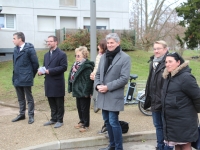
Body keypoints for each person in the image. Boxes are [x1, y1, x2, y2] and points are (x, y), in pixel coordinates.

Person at [94, 33, 131, 150]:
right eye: (108, 43)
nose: (109, 45)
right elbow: (98, 74)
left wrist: (107, 87)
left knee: (113, 121)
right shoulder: (104, 56)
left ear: (118, 43)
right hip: (103, 95)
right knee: (107, 121)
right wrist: (98, 85)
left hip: (114, 95)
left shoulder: (125, 58)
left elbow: (124, 78)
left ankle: (119, 147)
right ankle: (112, 145)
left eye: (112, 43)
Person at [162, 52, 200, 150]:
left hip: (184, 120)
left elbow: (197, 97)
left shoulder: (186, 77)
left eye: (170, 61)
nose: (167, 64)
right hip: (172, 120)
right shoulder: (168, 77)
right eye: (166, 62)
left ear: (178, 62)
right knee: (177, 145)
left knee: (185, 145)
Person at [38, 35, 67, 128]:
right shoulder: (46, 55)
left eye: (50, 41)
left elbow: (64, 67)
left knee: (59, 102)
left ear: (56, 42)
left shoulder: (61, 54)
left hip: (57, 82)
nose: (48, 43)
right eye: (47, 41)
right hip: (49, 82)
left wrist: (50, 71)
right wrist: (41, 72)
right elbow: (45, 66)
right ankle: (53, 118)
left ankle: (60, 120)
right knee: (51, 102)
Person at [144, 40, 168, 150]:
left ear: (165, 49)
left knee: (166, 127)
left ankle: (167, 147)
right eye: (154, 49)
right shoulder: (153, 62)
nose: (156, 51)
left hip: (165, 102)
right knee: (158, 126)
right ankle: (160, 146)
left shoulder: (168, 62)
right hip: (154, 100)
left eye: (159, 48)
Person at [12, 32, 39, 124]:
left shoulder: (29, 49)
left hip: (26, 77)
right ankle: (22, 114)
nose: (13, 40)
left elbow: (35, 64)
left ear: (20, 39)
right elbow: (14, 64)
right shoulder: (15, 50)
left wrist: (31, 75)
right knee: (20, 98)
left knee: (29, 98)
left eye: (14, 38)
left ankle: (31, 115)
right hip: (17, 77)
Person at [68, 46, 94, 132]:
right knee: (79, 107)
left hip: (84, 91)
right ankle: (82, 121)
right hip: (77, 90)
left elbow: (89, 81)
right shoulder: (76, 65)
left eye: (78, 55)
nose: (76, 57)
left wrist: (86, 92)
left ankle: (86, 125)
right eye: (76, 55)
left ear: (84, 56)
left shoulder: (86, 66)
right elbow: (71, 77)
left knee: (85, 108)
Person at [90, 39, 107, 113]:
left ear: (103, 47)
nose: (98, 47)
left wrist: (96, 76)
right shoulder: (99, 55)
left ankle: (99, 105)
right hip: (96, 77)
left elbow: (103, 70)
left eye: (99, 45)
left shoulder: (104, 57)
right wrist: (93, 73)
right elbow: (96, 67)